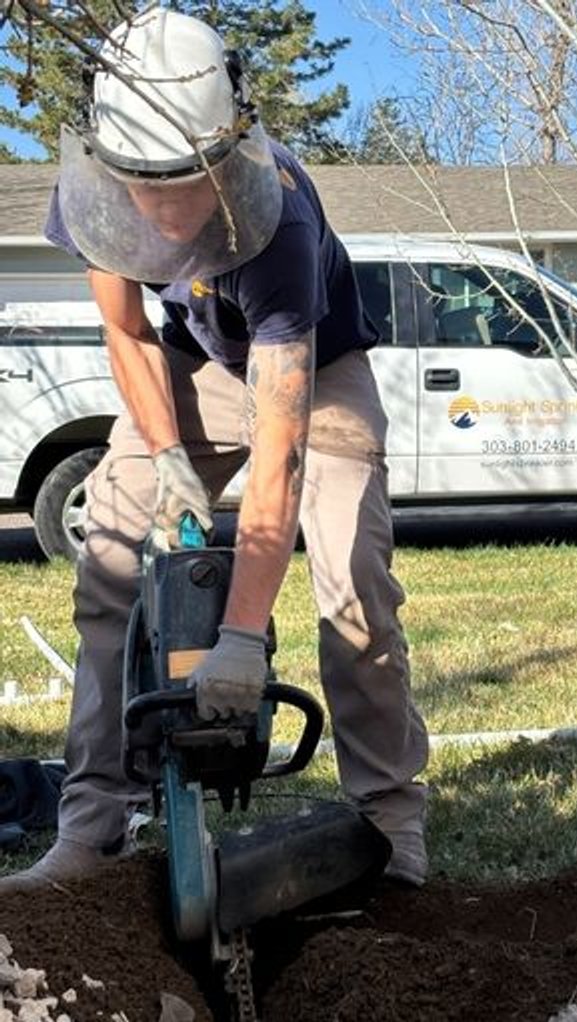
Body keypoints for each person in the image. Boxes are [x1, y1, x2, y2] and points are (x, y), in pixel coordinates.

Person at [0, 5, 428, 892]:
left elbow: (278, 454)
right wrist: (163, 457)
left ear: (226, 155)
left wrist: (238, 635)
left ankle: (390, 822)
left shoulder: (282, 224)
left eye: (176, 186)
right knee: (110, 556)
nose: (152, 213)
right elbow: (127, 333)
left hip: (315, 363)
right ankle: (90, 826)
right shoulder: (90, 195)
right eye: (136, 186)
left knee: (356, 581)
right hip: (193, 364)